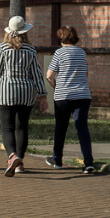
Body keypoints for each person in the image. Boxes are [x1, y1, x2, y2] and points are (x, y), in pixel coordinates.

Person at [0, 16, 49, 177]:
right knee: (22, 127)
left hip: (7, 92)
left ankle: (12, 156)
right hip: (26, 93)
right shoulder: (31, 50)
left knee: (7, 127)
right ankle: (20, 164)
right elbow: (37, 74)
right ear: (25, 32)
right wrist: (43, 95)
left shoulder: (3, 48)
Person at [45, 26, 95, 174]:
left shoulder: (59, 53)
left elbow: (49, 75)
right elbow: (85, 74)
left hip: (63, 96)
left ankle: (57, 159)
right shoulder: (82, 52)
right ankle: (88, 163)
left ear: (61, 39)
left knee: (61, 128)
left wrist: (56, 86)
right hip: (82, 95)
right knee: (82, 129)